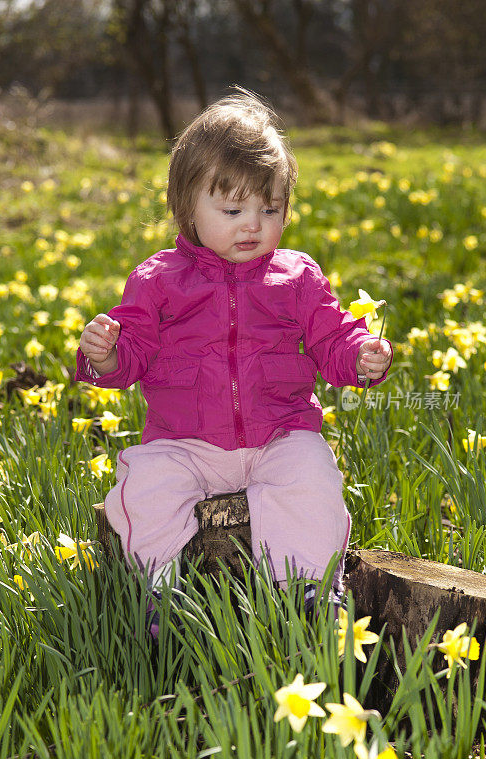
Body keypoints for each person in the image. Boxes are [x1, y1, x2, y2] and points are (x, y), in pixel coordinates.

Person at [76, 90, 392, 636]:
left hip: (279, 433)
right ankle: (159, 593)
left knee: (313, 477)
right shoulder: (157, 280)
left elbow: (330, 335)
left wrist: (359, 355)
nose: (253, 225)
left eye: (269, 210)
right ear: (188, 207)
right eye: (232, 209)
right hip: (183, 441)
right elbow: (133, 355)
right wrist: (104, 356)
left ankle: (308, 589)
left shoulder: (297, 278)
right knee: (143, 484)